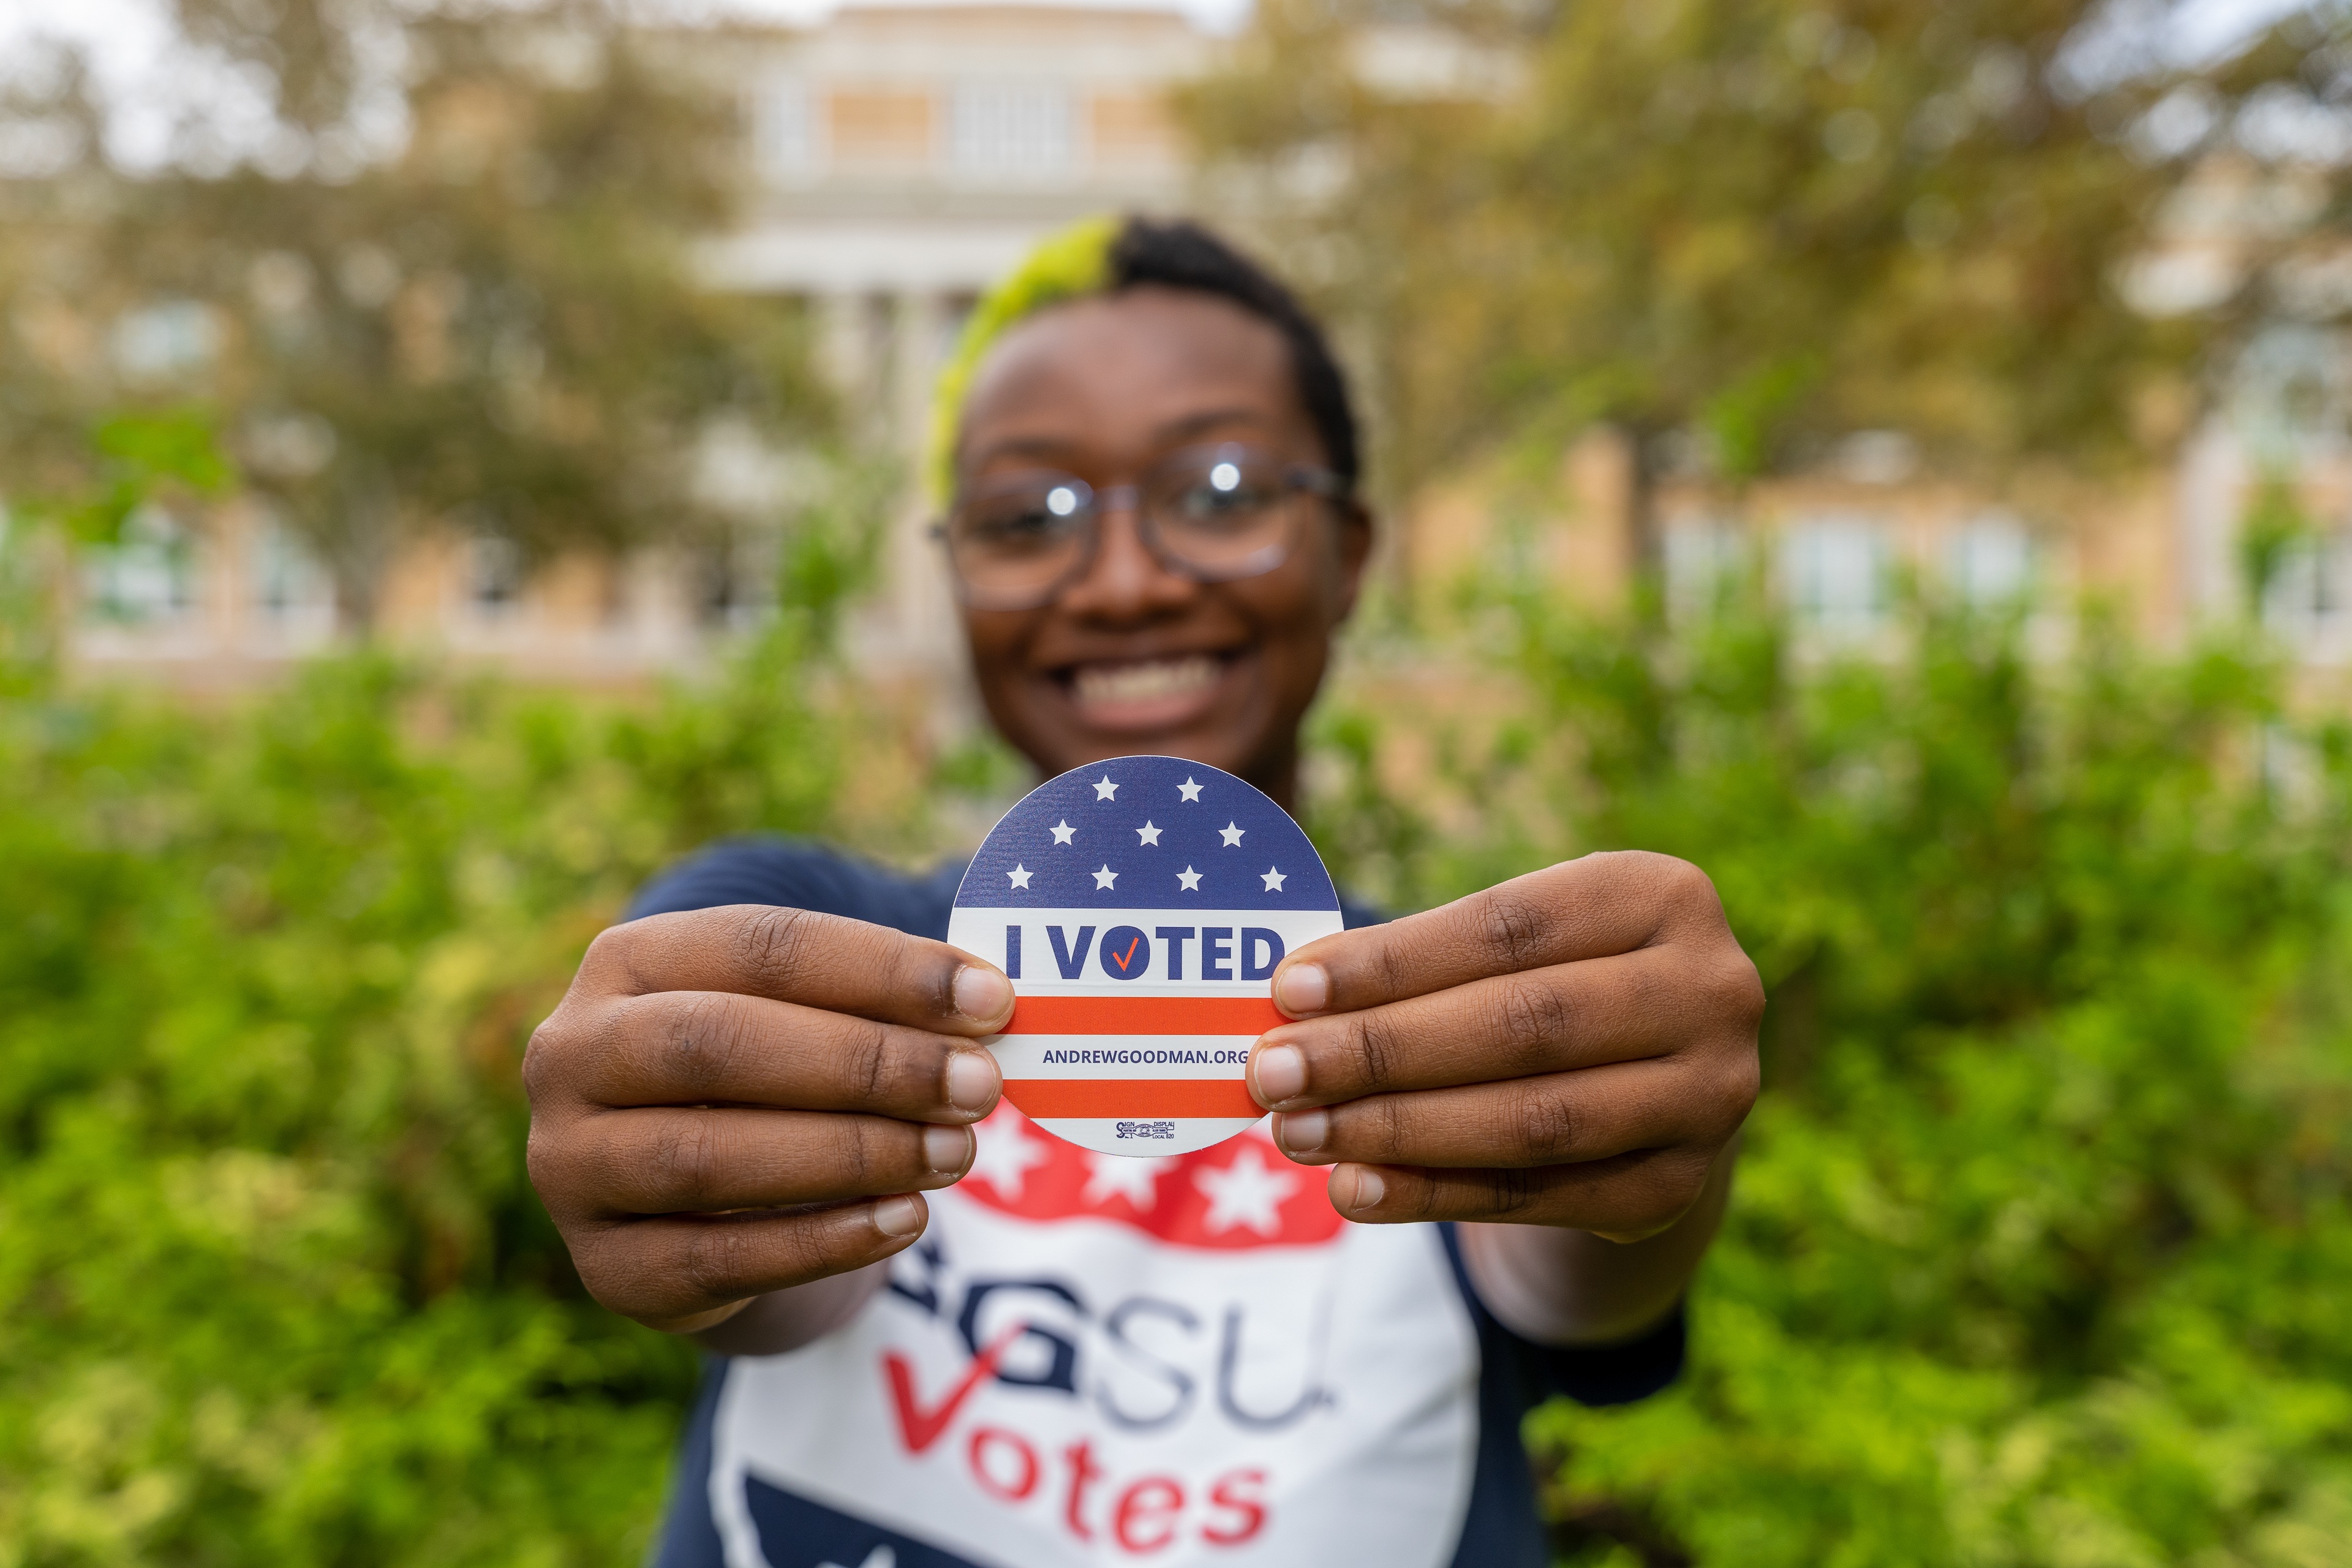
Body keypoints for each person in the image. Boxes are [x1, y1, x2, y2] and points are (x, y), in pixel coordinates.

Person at [523, 216, 1762, 1568]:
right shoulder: (809, 933)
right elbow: (770, 1284)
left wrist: (1653, 1165)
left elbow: (1580, 1280)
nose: (1120, 582)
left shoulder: (1464, 1006)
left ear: (1349, 554)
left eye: (1221, 489)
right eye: (1024, 517)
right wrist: (669, 1170)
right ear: (955, 578)